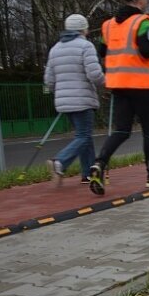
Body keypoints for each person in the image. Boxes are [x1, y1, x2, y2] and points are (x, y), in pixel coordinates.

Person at [88, 0, 149, 195]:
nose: (147, 3)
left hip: (117, 83)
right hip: (139, 84)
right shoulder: (142, 22)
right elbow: (145, 50)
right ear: (140, 1)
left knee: (121, 130)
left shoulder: (107, 26)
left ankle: (100, 163)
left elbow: (101, 51)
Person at [44, 14, 104, 186]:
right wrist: (105, 81)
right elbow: (94, 74)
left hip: (63, 101)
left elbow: (49, 80)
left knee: (84, 136)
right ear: (83, 29)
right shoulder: (86, 46)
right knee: (84, 136)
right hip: (82, 98)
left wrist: (61, 92)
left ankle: (88, 173)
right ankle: (59, 162)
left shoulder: (55, 49)